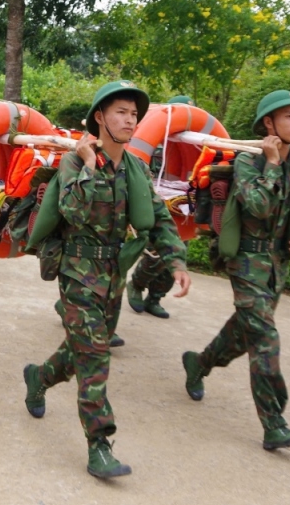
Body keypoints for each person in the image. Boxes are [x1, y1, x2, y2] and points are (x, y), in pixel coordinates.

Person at [22, 81, 192, 479]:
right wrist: (86, 164)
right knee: (96, 358)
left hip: (114, 275)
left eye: (134, 114)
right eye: (120, 112)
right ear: (99, 117)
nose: (129, 120)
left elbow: (159, 217)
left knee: (80, 353)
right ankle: (99, 444)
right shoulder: (72, 164)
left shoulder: (135, 167)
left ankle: (39, 376)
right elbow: (74, 212)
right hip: (78, 274)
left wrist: (177, 262)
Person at [180, 90, 290, 451]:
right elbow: (258, 206)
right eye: (289, 116)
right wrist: (273, 162)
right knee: (265, 338)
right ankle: (274, 423)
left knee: (245, 332)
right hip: (246, 259)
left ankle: (199, 363)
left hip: (279, 264)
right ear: (268, 123)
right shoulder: (249, 161)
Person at [127, 94, 194, 320]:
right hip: (151, 201)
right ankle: (136, 283)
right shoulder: (154, 140)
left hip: (180, 205)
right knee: (155, 252)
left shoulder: (193, 142)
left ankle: (155, 298)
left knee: (177, 249)